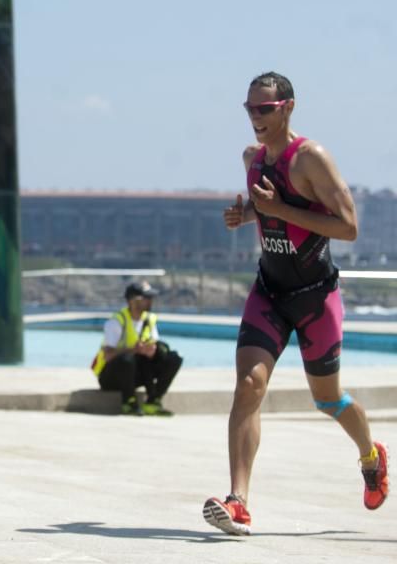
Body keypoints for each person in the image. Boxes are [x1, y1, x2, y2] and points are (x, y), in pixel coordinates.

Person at [203, 71, 389, 536]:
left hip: (315, 298)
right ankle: (238, 500)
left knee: (328, 400)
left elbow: (348, 227)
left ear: (287, 107)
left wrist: (275, 210)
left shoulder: (311, 159)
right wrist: (244, 215)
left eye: (263, 109)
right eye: (248, 109)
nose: (254, 118)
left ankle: (371, 455)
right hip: (269, 291)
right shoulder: (252, 158)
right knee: (249, 384)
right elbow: (267, 207)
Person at [91, 281, 182, 416]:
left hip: (136, 374)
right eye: (147, 298)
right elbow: (108, 356)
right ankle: (128, 402)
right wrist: (134, 350)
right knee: (127, 360)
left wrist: (152, 351)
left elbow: (154, 344)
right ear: (133, 301)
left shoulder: (149, 319)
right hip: (111, 377)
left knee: (172, 357)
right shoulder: (117, 321)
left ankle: (153, 401)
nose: (151, 301)